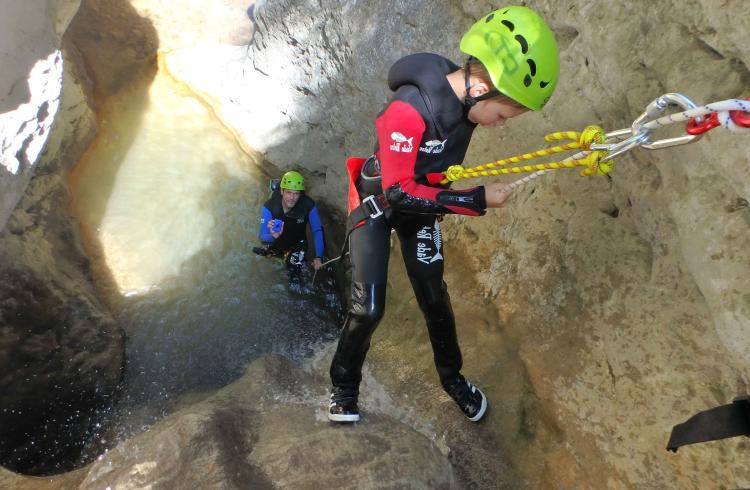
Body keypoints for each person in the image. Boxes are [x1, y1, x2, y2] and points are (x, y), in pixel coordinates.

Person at [328, 6, 560, 423]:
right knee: (369, 308)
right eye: (504, 114)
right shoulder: (408, 111)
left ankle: (452, 380)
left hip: (424, 202)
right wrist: (475, 200)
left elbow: (426, 189)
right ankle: (344, 388)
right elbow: (398, 192)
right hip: (378, 203)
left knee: (435, 298)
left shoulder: (466, 105)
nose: (500, 125)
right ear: (481, 87)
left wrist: (463, 197)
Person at [257, 170, 325, 272]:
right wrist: (273, 236)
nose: (292, 198)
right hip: (277, 242)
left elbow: (317, 230)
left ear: (300, 194)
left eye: (296, 194)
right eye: (288, 193)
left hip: (298, 244)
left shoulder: (308, 205)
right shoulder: (269, 207)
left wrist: (319, 256)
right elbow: (262, 236)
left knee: (294, 276)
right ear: (281, 191)